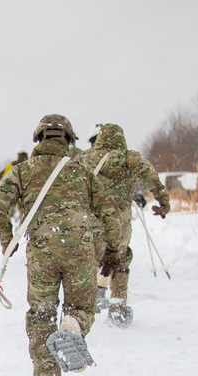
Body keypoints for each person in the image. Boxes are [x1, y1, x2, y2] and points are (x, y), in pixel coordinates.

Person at [0, 114, 121, 376]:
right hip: (81, 250)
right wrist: (113, 251)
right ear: (70, 140)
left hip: (43, 251)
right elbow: (110, 213)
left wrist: (6, 240)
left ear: (38, 139)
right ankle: (73, 323)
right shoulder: (83, 172)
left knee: (41, 314)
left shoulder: (23, 171)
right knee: (81, 307)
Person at [80, 123, 170, 327]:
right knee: (120, 260)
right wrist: (163, 202)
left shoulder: (84, 158)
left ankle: (81, 311)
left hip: (90, 221)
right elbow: (152, 177)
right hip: (120, 222)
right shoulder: (129, 158)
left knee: (88, 261)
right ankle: (118, 310)